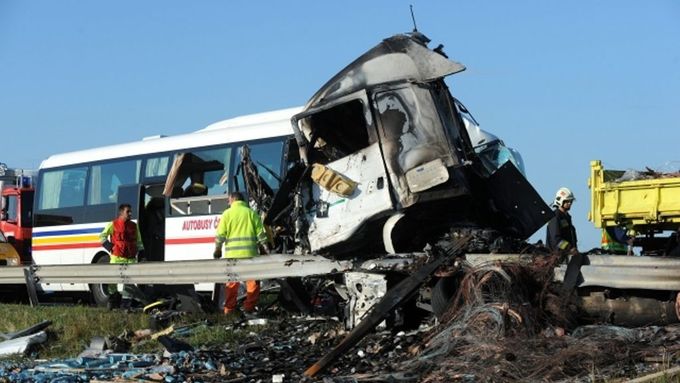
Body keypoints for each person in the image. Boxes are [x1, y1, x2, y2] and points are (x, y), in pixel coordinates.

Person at [214, 192, 268, 315]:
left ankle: (229, 310)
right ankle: (249, 307)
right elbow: (261, 234)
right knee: (252, 283)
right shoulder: (251, 213)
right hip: (250, 255)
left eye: (229, 199)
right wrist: (265, 248)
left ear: (233, 199)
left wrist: (217, 248)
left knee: (231, 285)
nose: (228, 202)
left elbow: (220, 234)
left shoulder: (227, 214)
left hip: (232, 257)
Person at [99, 203, 147, 308]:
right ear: (121, 213)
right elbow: (102, 237)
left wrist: (142, 255)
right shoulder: (113, 224)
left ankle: (126, 305)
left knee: (129, 282)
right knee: (112, 281)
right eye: (128, 211)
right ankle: (112, 300)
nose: (130, 213)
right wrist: (110, 247)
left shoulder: (134, 226)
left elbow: (139, 242)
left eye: (130, 211)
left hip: (130, 259)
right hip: (116, 258)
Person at [546, 187, 578, 252]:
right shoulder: (555, 217)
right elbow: (556, 239)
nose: (570, 203)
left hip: (567, 254)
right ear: (560, 201)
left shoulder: (567, 217)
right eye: (567, 201)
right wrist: (569, 248)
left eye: (571, 201)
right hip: (556, 257)